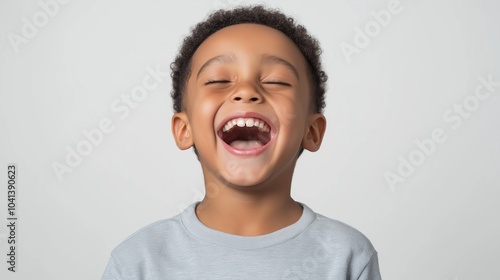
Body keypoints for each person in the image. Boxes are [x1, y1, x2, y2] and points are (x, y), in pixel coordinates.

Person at [102, 5, 381, 279]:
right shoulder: (138, 261)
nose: (246, 91)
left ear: (312, 131)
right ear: (184, 129)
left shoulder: (347, 255)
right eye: (218, 80)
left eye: (276, 81)